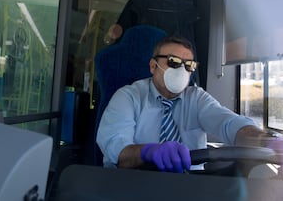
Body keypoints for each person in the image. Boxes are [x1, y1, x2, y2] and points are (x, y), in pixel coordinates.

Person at [96, 35, 282, 172]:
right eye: (174, 62)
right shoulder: (128, 97)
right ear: (153, 66)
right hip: (134, 183)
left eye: (189, 65)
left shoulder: (197, 98)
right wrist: (148, 152)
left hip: (191, 186)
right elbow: (116, 149)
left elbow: (229, 124)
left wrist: (266, 141)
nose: (182, 70)